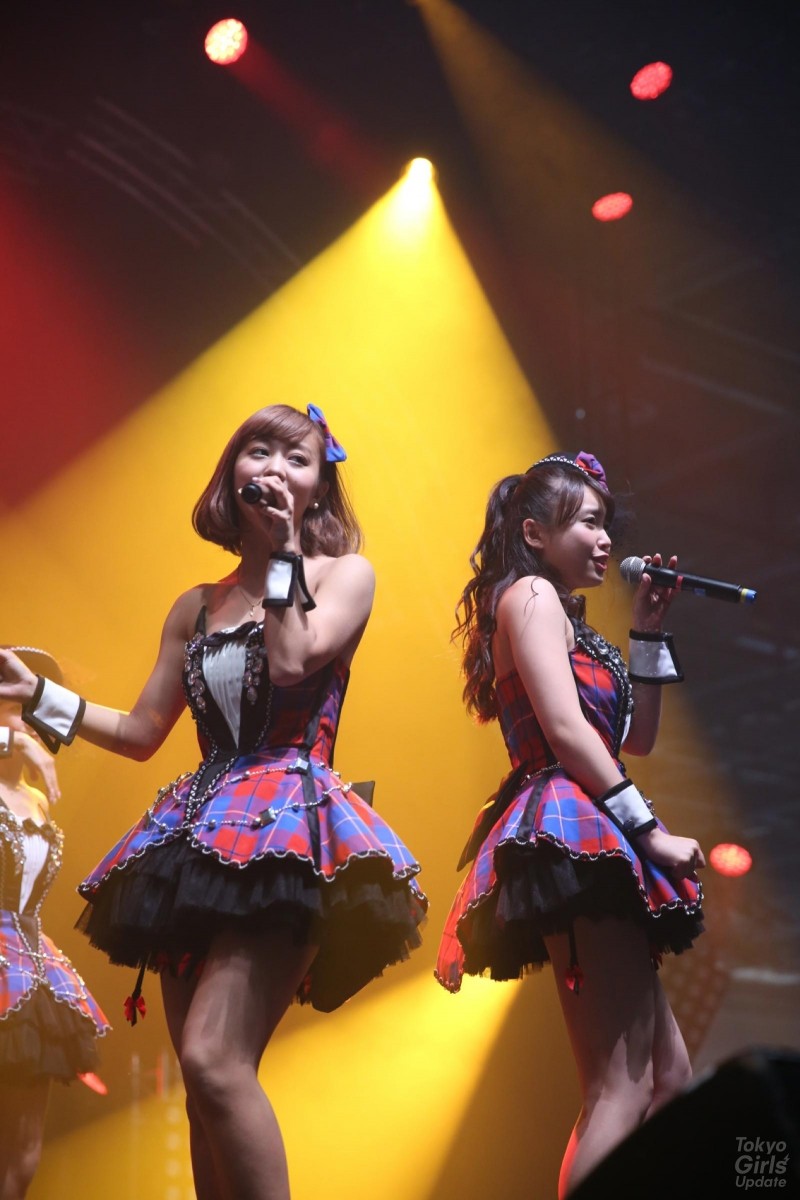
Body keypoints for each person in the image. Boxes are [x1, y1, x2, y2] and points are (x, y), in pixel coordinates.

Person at [0, 405, 427, 1200]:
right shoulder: (195, 605)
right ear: (233, 473)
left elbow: (293, 660)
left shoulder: (343, 575)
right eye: (258, 450)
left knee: (214, 1060)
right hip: (194, 842)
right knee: (202, 1098)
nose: (274, 468)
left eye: (296, 458)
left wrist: (287, 550)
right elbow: (140, 732)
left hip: (289, 829)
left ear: (318, 485)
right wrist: (39, 699)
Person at [435, 451, 705, 1197]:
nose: (606, 538)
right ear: (534, 533)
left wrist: (648, 631)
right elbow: (564, 728)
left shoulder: (565, 615)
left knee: (667, 1079)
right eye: (589, 521)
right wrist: (649, 831)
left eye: (605, 522)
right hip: (570, 827)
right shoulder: (528, 595)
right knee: (620, 1086)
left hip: (592, 817)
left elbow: (634, 738)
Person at [0, 647, 109, 1200]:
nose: (19, 709)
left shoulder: (40, 799)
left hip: (30, 971)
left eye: (28, 699)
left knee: (22, 1150)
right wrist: (11, 743)